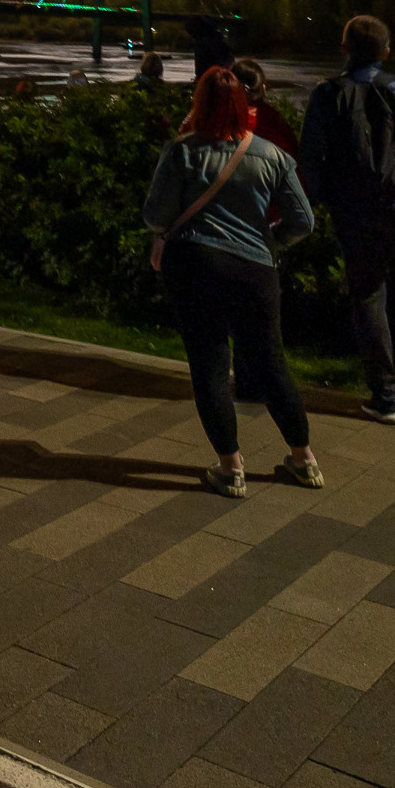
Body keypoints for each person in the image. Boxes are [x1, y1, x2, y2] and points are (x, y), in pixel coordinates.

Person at [146, 66, 322, 496]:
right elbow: (304, 220)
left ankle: (231, 466)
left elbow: (155, 215)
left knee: (208, 366)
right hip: (255, 272)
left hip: (195, 266)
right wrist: (269, 243)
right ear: (245, 104)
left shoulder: (182, 152)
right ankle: (304, 459)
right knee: (270, 361)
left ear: (198, 103)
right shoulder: (272, 155)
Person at [299, 14, 395, 423]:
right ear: (386, 51)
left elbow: (310, 159)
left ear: (344, 48)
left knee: (368, 296)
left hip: (355, 211)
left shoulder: (328, 94)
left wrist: (315, 203)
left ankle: (386, 395)